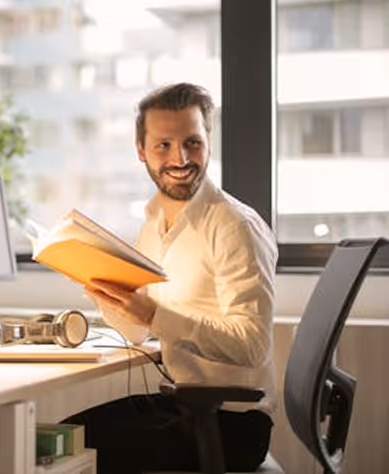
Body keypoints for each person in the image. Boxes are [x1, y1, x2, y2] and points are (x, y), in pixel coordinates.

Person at [63, 83, 278, 473]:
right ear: (140, 150)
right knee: (60, 438)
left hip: (232, 424)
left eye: (192, 142)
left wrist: (155, 315)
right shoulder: (154, 222)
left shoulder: (234, 226)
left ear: (208, 141)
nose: (180, 158)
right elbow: (136, 333)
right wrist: (102, 290)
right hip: (183, 406)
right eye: (163, 145)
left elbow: (253, 346)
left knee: (67, 456)